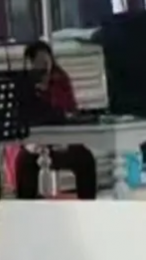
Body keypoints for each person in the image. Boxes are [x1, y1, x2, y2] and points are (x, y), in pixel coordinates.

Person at [14, 40, 97, 200]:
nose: (44, 67)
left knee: (85, 159)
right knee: (23, 161)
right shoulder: (24, 85)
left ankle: (88, 207)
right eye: (38, 63)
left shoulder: (60, 80)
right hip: (35, 143)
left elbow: (70, 110)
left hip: (62, 141)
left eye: (46, 61)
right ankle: (27, 209)